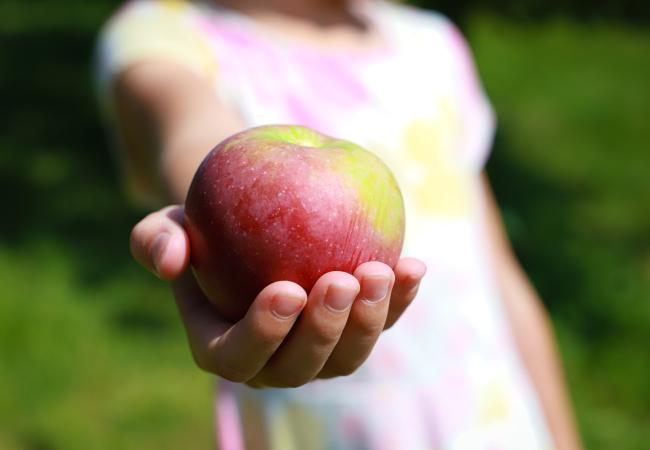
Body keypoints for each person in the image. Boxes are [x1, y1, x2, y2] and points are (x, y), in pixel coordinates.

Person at [95, 0, 583, 448]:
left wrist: (561, 436)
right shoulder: (166, 36)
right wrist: (206, 212)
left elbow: (498, 274)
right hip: (324, 429)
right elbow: (191, 134)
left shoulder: (432, 46)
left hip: (491, 418)